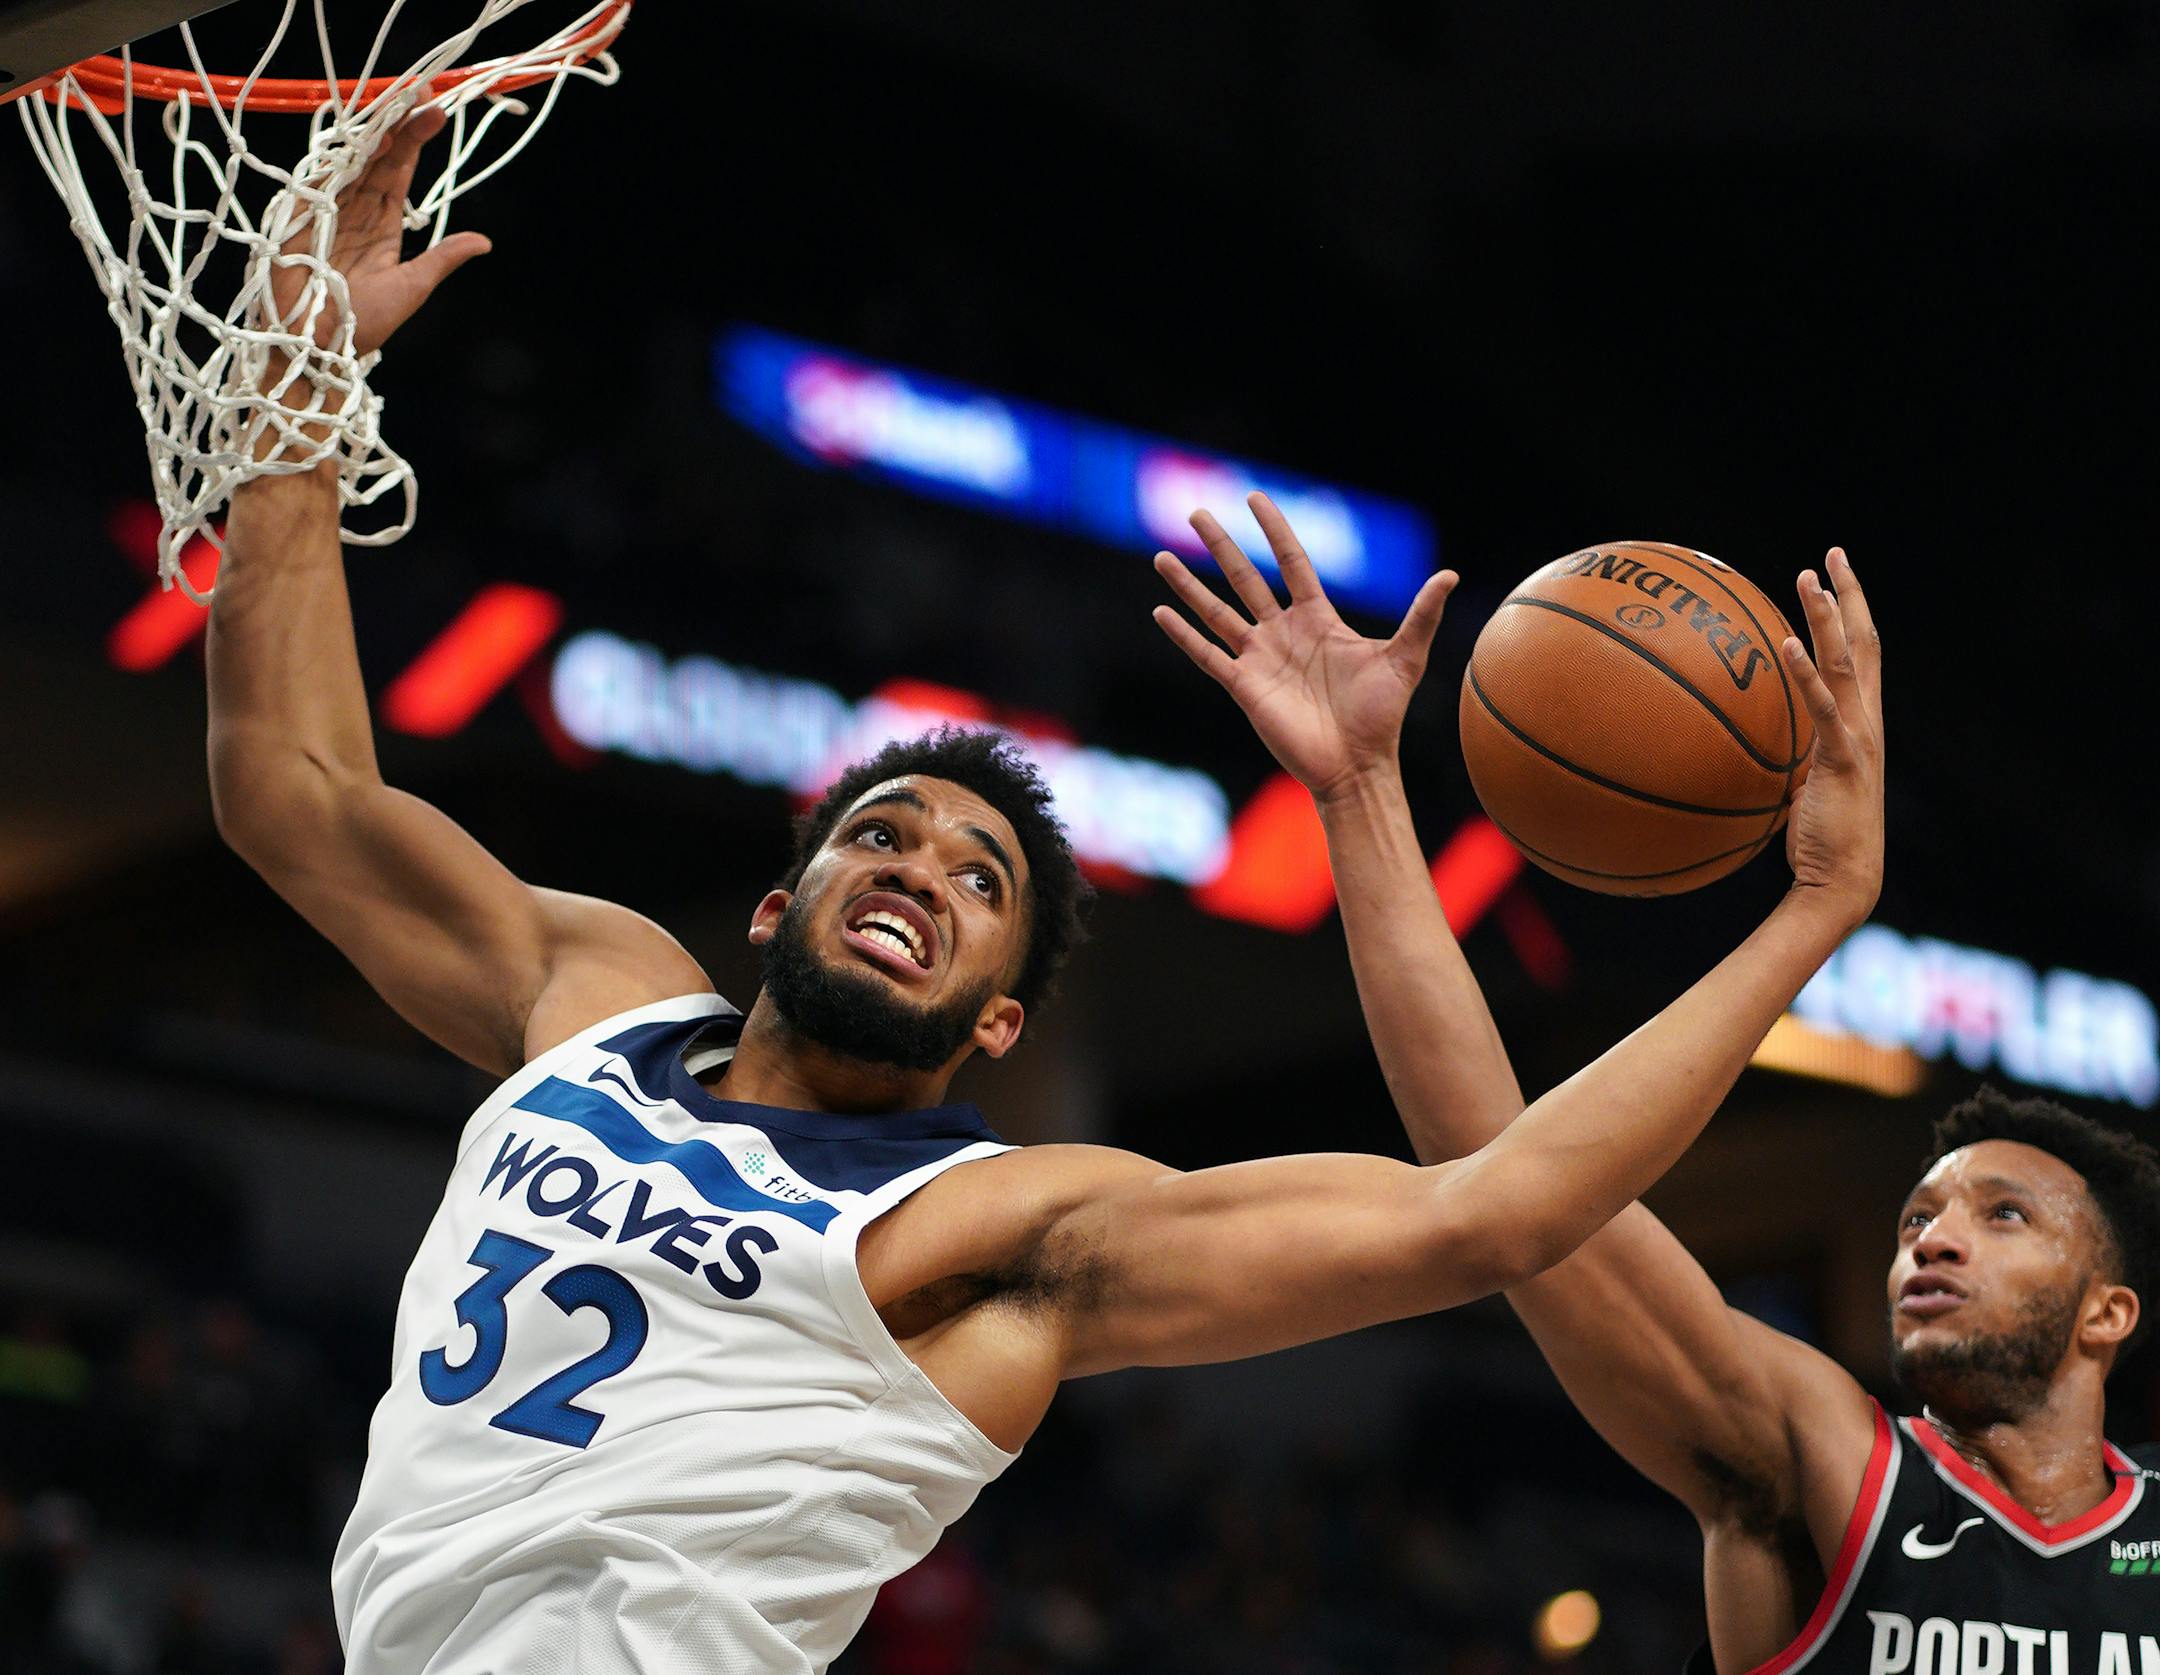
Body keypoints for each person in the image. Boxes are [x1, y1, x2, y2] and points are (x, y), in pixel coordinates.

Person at [207, 110, 1884, 1673]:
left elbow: (1494, 1210)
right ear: (777, 911)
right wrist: (298, 382)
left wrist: (1805, 908)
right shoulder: (590, 1005)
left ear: (998, 1018)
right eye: (880, 837)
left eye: (977, 876)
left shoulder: (1015, 1238)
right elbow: (295, 794)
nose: (919, 869)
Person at [1164, 494, 2160, 1665]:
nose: (1933, 1242)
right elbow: (1495, 1167)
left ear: (2109, 1311)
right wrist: (1359, 792)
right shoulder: (1822, 1464)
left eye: (2003, 1217)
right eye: (1919, 1216)